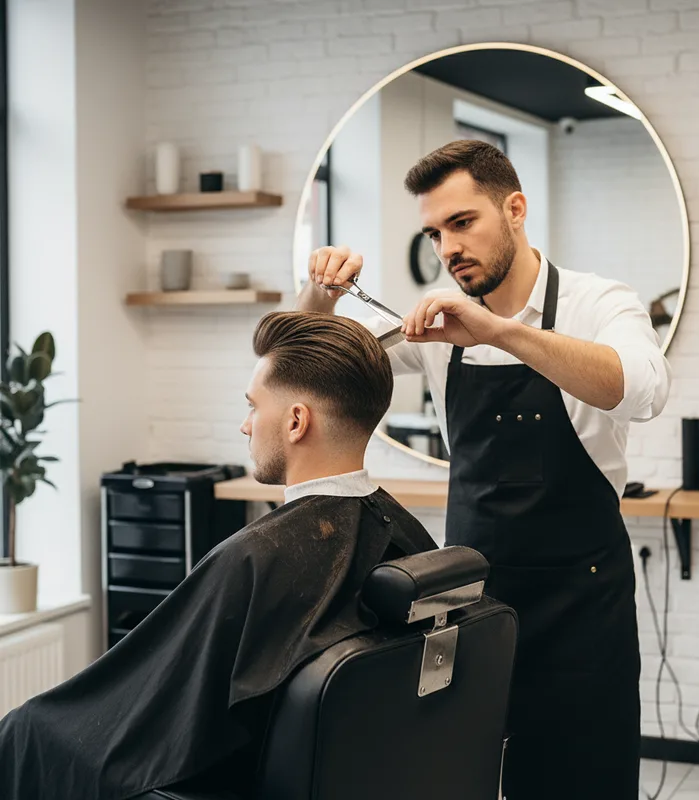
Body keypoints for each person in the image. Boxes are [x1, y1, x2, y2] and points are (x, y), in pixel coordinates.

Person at [299, 140, 672, 799]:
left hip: (585, 615)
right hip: (472, 609)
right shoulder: (437, 327)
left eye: (462, 223)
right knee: (460, 778)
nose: (447, 248)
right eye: (434, 233)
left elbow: (642, 389)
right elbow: (311, 372)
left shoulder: (597, 302)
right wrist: (317, 299)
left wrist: (499, 331)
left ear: (515, 210)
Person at [0, 311, 438, 800]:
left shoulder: (254, 559)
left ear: (296, 421)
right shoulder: (410, 535)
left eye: (253, 406)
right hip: (357, 776)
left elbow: (151, 724)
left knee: (24, 730)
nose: (245, 425)